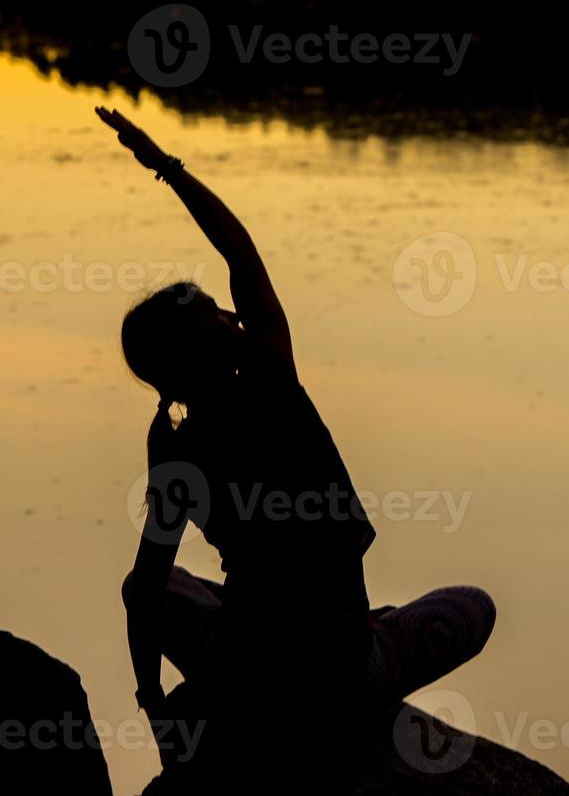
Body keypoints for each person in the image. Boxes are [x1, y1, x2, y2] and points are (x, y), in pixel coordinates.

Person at [98, 106, 495, 756]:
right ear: (200, 344)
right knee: (473, 606)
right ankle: (372, 647)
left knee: (156, 586)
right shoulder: (271, 380)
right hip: (343, 671)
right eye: (214, 316)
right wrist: (166, 168)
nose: (231, 314)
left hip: (247, 675)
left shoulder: (175, 450)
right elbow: (240, 249)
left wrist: (156, 704)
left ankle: (256, 682)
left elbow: (145, 592)